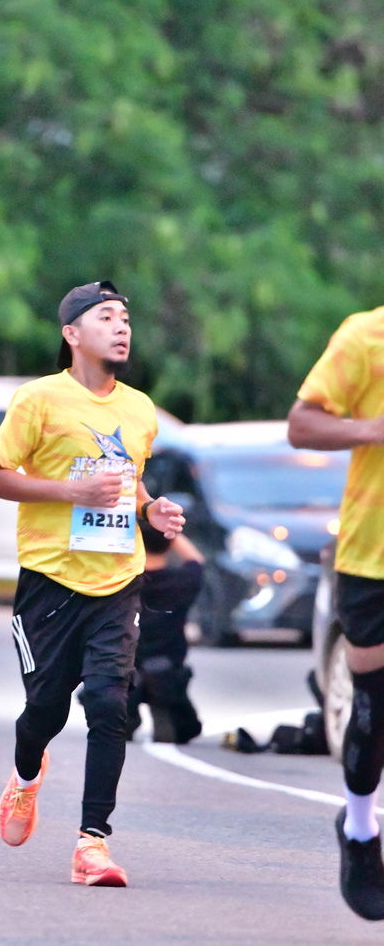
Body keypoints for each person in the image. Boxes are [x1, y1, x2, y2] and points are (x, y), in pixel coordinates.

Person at [0, 280, 185, 887]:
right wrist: (70, 492)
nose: (121, 327)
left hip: (118, 580)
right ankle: (26, 775)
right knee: (45, 708)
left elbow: (131, 482)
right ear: (72, 333)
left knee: (108, 704)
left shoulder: (140, 409)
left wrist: (150, 510)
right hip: (50, 580)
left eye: (126, 319)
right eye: (106, 317)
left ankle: (92, 843)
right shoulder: (39, 399)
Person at [287, 305, 384, 921]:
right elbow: (302, 425)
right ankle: (360, 829)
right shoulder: (367, 335)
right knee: (375, 701)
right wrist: (373, 429)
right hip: (373, 556)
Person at [126, 523, 204, 745]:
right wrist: (170, 531)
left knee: (117, 679)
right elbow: (196, 560)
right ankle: (164, 708)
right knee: (186, 726)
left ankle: (123, 714)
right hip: (166, 668)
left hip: (125, 664)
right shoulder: (182, 581)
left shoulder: (122, 583)